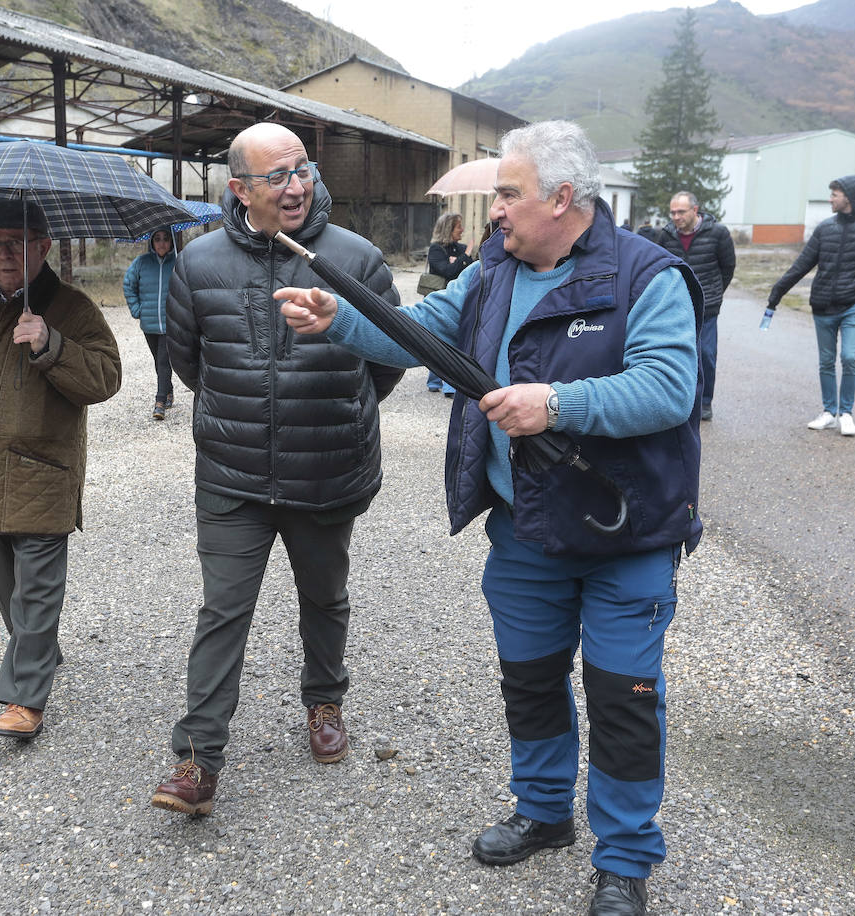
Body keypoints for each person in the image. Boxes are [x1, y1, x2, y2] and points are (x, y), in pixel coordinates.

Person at [277, 120, 703, 916]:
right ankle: (544, 815)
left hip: (627, 537)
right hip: (526, 532)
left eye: (508, 194)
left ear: (562, 198)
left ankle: (626, 859)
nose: (495, 211)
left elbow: (668, 390)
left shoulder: (652, 276)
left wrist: (557, 404)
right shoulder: (494, 272)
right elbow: (423, 335)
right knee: (531, 683)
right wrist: (336, 317)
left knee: (623, 697)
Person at [149, 121, 403, 817]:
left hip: (326, 470)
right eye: (277, 177)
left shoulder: (356, 258)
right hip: (233, 478)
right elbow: (189, 361)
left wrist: (340, 414)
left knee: (324, 598)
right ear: (239, 190)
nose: (296, 188)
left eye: (303, 171)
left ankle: (325, 701)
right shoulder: (197, 265)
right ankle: (197, 762)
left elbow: (388, 361)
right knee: (222, 611)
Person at [0, 200, 122, 739]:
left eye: (17, 242)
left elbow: (106, 379)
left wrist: (49, 344)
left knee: (35, 589)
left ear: (43, 246)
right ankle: (39, 648)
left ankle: (24, 698)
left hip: (42, 474)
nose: (4, 253)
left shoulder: (73, 309)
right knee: (9, 586)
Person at [768, 175, 855, 436]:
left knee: (849, 357)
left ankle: (846, 413)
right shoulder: (825, 228)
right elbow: (802, 264)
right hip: (822, 305)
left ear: (849, 196)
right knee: (826, 361)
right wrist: (777, 292)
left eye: (834, 194)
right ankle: (829, 412)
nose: (830, 199)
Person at [656, 191, 735, 421]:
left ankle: (705, 402)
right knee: (675, 354)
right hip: (676, 306)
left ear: (695, 210)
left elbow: (727, 268)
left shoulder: (718, 233)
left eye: (681, 211)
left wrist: (714, 293)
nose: (676, 217)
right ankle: (679, 399)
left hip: (707, 306)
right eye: (672, 212)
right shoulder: (667, 235)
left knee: (706, 355)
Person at [123, 228, 178, 420]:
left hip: (170, 323)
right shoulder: (141, 262)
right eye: (157, 239)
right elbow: (128, 284)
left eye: (165, 239)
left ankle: (160, 401)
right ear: (151, 242)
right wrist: (137, 309)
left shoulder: (178, 262)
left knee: (164, 361)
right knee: (158, 361)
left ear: (172, 241)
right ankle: (169, 390)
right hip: (149, 324)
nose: (162, 243)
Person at [425, 212, 475, 395]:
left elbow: (466, 269)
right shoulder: (436, 249)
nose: (462, 230)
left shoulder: (457, 248)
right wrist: (466, 255)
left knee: (451, 339)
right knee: (437, 338)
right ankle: (436, 381)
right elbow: (448, 271)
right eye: (458, 226)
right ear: (448, 229)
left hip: (456, 300)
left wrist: (459, 260)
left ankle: (447, 384)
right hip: (440, 300)